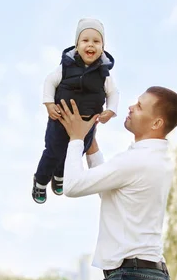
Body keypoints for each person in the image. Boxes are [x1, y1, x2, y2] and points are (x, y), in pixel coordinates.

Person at [56, 86, 177, 280]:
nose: (130, 107)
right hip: (152, 277)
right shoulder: (155, 159)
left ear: (156, 123)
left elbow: (74, 187)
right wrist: (92, 149)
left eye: (140, 106)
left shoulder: (136, 160)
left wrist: (76, 139)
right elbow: (111, 187)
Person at [32, 18, 119, 204]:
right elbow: (50, 81)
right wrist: (49, 104)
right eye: (85, 40)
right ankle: (40, 181)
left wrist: (110, 110)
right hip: (60, 120)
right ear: (77, 45)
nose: (91, 45)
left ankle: (59, 176)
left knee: (75, 153)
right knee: (53, 152)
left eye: (96, 41)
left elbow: (113, 93)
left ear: (102, 47)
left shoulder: (104, 73)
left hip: (86, 125)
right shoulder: (66, 66)